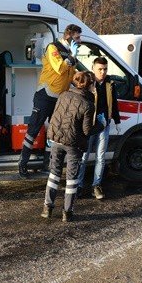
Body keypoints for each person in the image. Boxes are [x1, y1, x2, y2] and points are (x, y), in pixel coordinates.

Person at [18, 24, 82, 178]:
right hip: (45, 95)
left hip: (60, 99)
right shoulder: (52, 47)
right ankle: (23, 163)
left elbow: (72, 74)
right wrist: (72, 57)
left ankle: (48, 165)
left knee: (54, 133)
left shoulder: (70, 53)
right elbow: (59, 67)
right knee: (33, 130)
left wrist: (84, 82)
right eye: (77, 37)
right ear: (68, 36)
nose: (80, 41)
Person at [41, 71, 103, 222]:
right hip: (73, 144)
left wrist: (50, 135)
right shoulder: (88, 104)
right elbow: (87, 131)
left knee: (54, 174)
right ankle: (67, 212)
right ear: (90, 86)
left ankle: (47, 208)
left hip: (56, 140)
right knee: (71, 179)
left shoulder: (63, 95)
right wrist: (101, 125)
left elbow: (55, 115)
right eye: (93, 84)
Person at [76, 57, 122, 200]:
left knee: (101, 157)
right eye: (100, 69)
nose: (103, 72)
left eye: (105, 69)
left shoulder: (110, 83)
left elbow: (113, 103)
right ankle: (78, 185)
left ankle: (96, 185)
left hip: (104, 124)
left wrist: (117, 120)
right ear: (93, 68)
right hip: (89, 125)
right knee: (84, 156)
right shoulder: (88, 82)